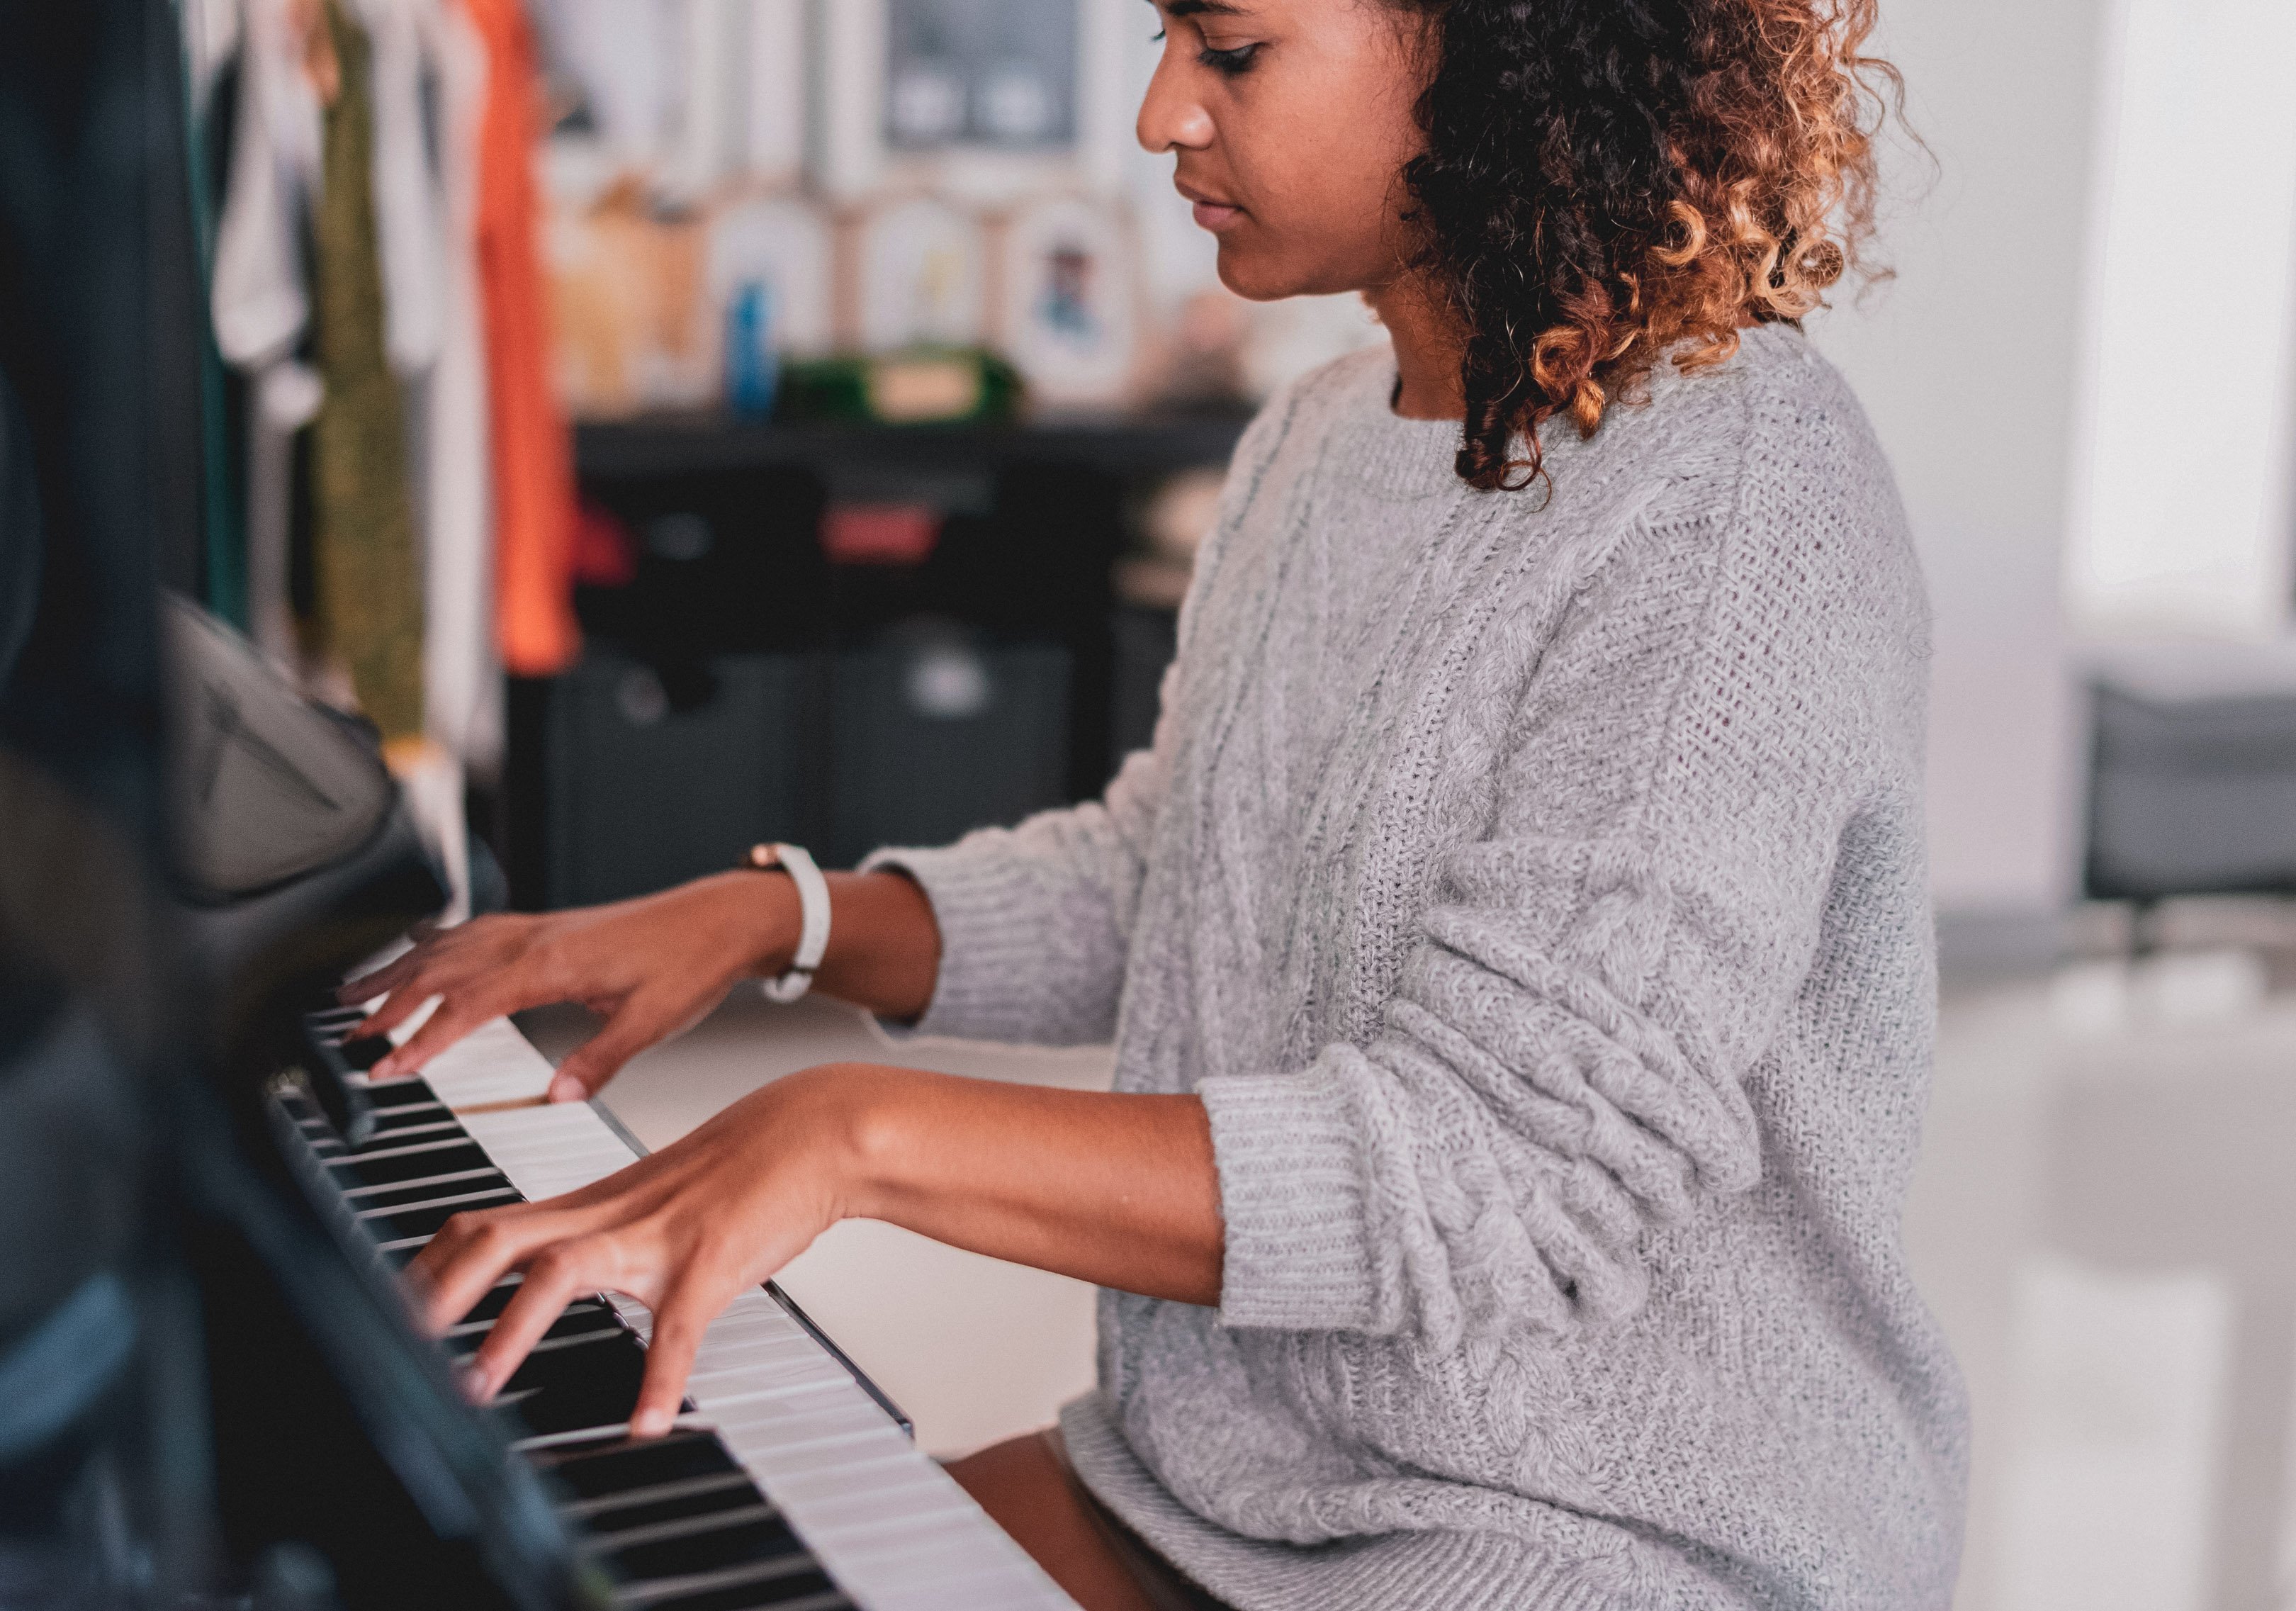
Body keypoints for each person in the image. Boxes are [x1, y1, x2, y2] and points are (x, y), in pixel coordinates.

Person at [347, 0, 1969, 1605]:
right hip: (1213, 1483)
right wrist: (780, 916)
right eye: (1166, 44)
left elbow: (1504, 1170)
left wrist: (853, 1133)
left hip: (1596, 1536)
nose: (1161, 117)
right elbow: (1172, 882)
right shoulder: (1320, 437)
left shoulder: (1735, 495)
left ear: (1499, 47)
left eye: (1234, 51)